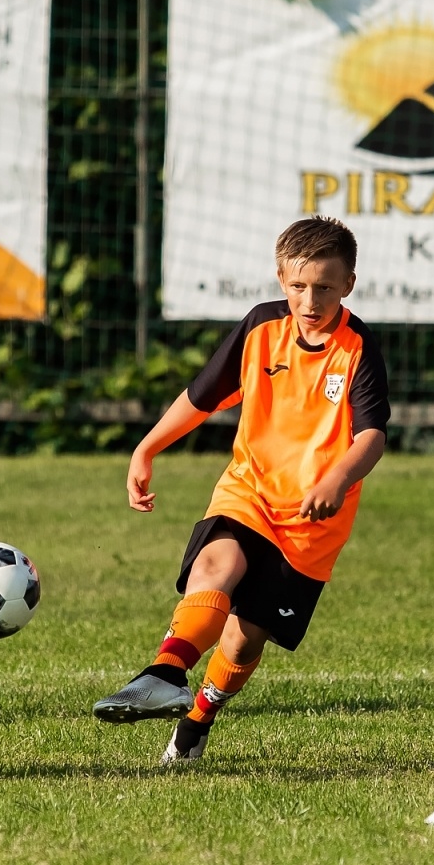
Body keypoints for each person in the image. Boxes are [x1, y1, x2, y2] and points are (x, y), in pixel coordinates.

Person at [92, 216, 389, 764]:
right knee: (214, 569)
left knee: (243, 639)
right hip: (248, 491)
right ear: (280, 279)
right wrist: (146, 448)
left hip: (310, 521)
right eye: (298, 286)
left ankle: (196, 719)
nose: (310, 299)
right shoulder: (259, 328)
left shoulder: (357, 347)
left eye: (325, 286)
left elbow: (372, 434)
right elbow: (202, 396)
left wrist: (337, 477)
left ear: (348, 283)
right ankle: (164, 673)